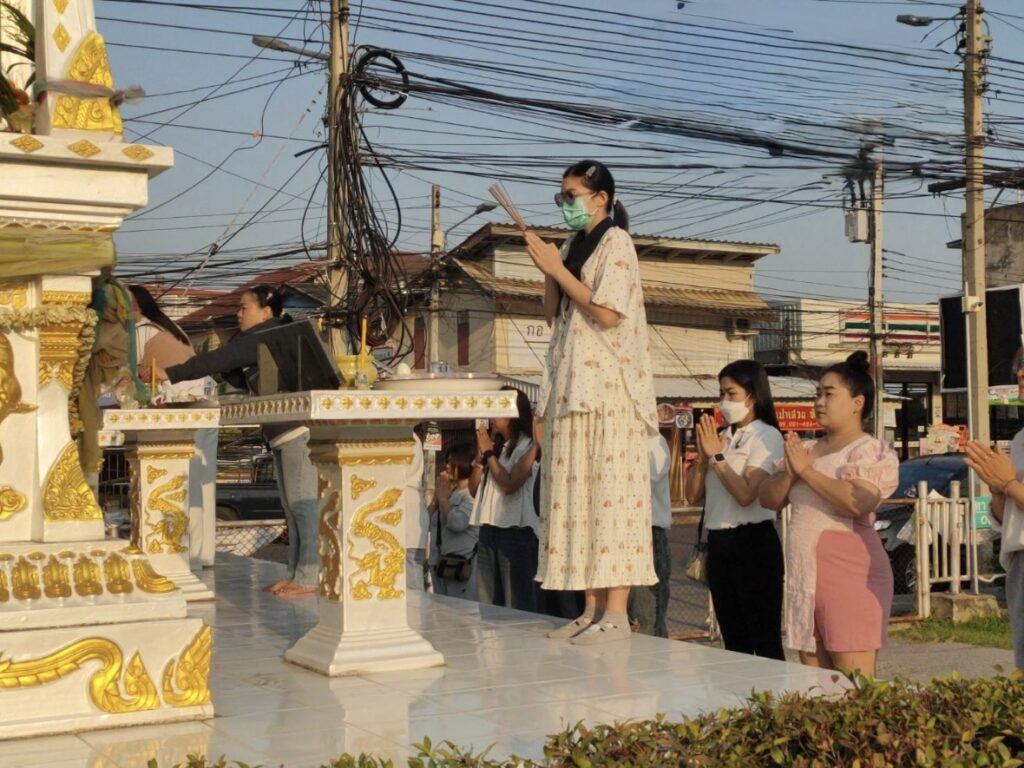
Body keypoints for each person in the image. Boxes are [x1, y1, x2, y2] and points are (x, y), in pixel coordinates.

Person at [526, 159, 659, 645]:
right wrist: (549, 270)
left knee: (610, 495)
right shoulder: (569, 245)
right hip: (570, 384)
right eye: (561, 197)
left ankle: (617, 610)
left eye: (572, 195)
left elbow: (606, 312)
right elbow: (552, 313)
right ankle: (590, 606)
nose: (565, 204)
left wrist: (557, 270)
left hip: (608, 387)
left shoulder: (616, 242)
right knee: (578, 497)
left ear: (601, 198)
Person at [148, 284, 320, 598]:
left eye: (244, 308)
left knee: (302, 505)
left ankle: (308, 576)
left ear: (265, 312)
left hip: (298, 430)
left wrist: (169, 373)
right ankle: (295, 573)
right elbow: (233, 369)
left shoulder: (266, 335)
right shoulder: (259, 339)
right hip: (282, 432)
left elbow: (214, 361)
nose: (238, 314)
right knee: (291, 507)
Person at [759, 351, 898, 676]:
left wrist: (807, 472)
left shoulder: (867, 449)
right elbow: (768, 498)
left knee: (853, 684)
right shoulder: (806, 450)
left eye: (829, 394)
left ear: (857, 402)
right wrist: (792, 472)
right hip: (805, 577)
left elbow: (858, 502)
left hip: (851, 576)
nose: (819, 402)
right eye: (817, 394)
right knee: (815, 685)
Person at [684, 359, 786, 659]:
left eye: (731, 394)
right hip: (719, 542)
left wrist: (717, 458)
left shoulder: (766, 435)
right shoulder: (721, 437)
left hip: (752, 541)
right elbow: (691, 496)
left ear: (752, 396)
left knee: (764, 640)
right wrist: (702, 461)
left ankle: (772, 690)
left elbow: (746, 494)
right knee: (734, 641)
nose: (724, 402)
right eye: (721, 394)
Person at [129, 284, 219, 570]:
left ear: (134, 307)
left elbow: (129, 373)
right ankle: (202, 555)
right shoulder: (170, 327)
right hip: (205, 399)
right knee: (203, 479)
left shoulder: (141, 331)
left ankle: (187, 555)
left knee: (185, 477)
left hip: (185, 404)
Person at [965, 358, 1024, 670]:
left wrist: (1009, 484)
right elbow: (1006, 515)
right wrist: (998, 490)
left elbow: (1013, 486)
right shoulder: (1020, 439)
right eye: (1019, 367)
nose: (1021, 373)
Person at [470, 387, 539, 612]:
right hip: (488, 528)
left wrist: (490, 455)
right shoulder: (495, 446)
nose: (492, 416)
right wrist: (481, 458)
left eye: (498, 409)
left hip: (515, 531)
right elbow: (473, 489)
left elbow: (510, 484)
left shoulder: (527, 445)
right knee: (487, 604)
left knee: (515, 604)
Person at [628, 432, 673, 638]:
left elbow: (640, 485)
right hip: (622, 535)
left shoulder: (654, 441)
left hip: (648, 534)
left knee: (647, 618)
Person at [429, 442, 479, 600]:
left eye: (452, 462)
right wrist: (437, 498)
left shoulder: (471, 495)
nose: (447, 467)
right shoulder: (451, 492)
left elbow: (458, 523)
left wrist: (444, 499)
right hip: (440, 563)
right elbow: (429, 520)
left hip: (461, 565)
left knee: (460, 611)